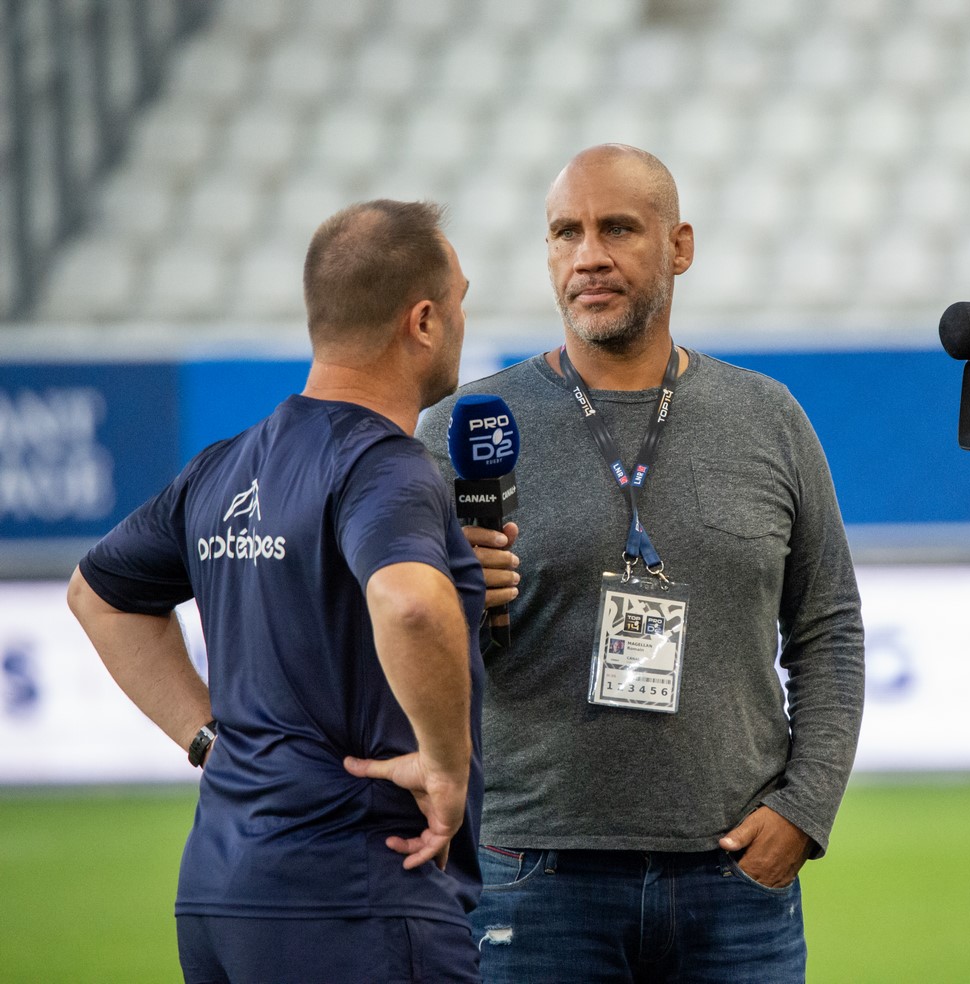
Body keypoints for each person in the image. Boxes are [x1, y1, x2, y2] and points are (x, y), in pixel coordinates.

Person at [417, 143, 865, 982]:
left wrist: (805, 809)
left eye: (617, 229)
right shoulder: (462, 429)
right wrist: (455, 602)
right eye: (566, 233)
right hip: (532, 877)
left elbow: (829, 628)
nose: (588, 255)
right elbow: (405, 647)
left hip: (735, 879)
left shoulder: (769, 418)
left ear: (679, 247)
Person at [67, 200, 486, 984]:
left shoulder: (223, 465)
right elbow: (409, 604)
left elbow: (97, 595)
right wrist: (444, 766)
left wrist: (207, 741)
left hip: (218, 892)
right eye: (460, 300)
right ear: (424, 321)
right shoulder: (385, 465)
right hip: (356, 893)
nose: (464, 319)